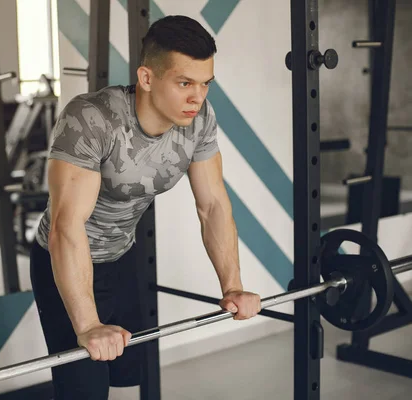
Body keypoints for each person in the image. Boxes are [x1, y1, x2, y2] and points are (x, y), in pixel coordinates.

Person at [30, 15, 261, 399]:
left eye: (205, 84)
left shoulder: (198, 120)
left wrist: (233, 286)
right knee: (83, 389)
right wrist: (87, 324)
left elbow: (213, 205)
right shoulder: (91, 119)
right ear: (147, 78)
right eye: (185, 83)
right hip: (65, 261)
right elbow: (66, 226)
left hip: (124, 257)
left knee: (127, 373)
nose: (197, 97)